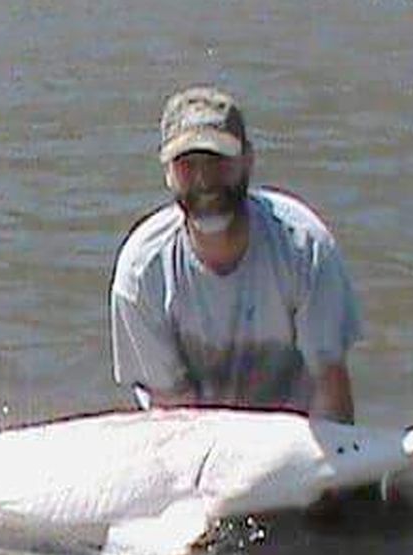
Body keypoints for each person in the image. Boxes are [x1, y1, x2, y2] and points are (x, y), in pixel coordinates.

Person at [110, 87, 362, 423]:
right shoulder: (140, 275)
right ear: (168, 173)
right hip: (191, 436)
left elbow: (330, 390)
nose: (204, 181)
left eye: (218, 161)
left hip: (297, 437)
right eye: (187, 165)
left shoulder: (306, 250)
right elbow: (172, 409)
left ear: (248, 161)